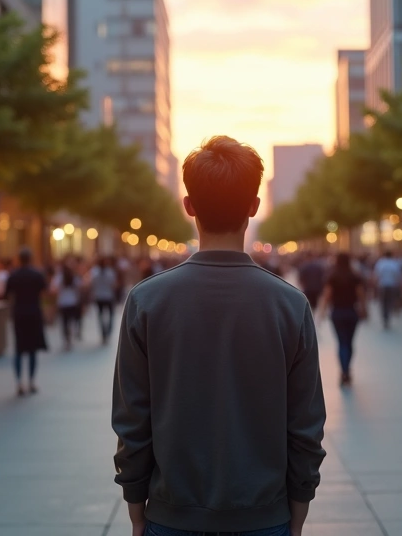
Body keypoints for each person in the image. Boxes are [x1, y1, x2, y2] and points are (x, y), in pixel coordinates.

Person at [113, 136, 325, 536]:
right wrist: (297, 512)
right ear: (254, 207)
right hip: (265, 516)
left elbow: (132, 420)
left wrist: (137, 507)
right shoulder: (289, 304)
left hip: (171, 515)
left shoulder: (146, 301)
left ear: (188, 205)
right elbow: (305, 424)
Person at [318, 252, 365, 385]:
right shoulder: (355, 276)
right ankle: (347, 369)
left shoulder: (332, 276)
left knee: (341, 342)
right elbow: (361, 294)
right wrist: (364, 309)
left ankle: (344, 370)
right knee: (349, 342)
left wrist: (322, 312)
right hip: (351, 311)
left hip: (337, 312)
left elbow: (327, 296)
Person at [6, 249, 48, 395]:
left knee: (18, 349)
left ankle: (19, 383)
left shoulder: (14, 275)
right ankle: (31, 381)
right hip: (34, 313)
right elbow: (44, 293)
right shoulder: (37, 274)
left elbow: (8, 294)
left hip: (19, 314)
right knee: (32, 350)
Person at [51, 260, 83, 349]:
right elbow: (80, 287)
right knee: (71, 320)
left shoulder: (59, 277)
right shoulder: (74, 277)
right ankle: (70, 336)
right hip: (73, 302)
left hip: (63, 302)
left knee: (64, 322)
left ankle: (67, 338)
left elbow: (53, 289)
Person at [373, 250, 402, 329]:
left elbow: (376, 275)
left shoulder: (380, 263)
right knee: (390, 302)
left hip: (382, 285)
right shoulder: (395, 263)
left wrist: (375, 285)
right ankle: (387, 316)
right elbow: (398, 276)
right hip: (392, 285)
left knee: (383, 303)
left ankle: (385, 317)